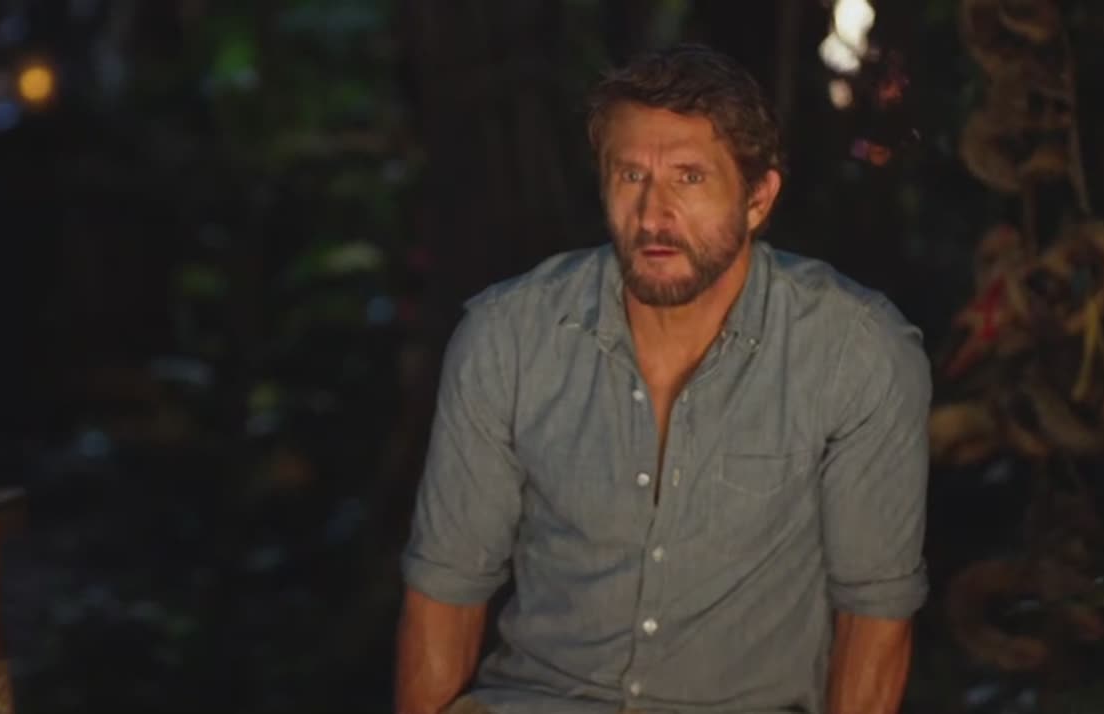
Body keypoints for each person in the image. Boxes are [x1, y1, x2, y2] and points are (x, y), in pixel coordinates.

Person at [395, 43, 931, 714]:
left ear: (758, 198)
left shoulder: (856, 352)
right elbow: (445, 591)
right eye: (631, 176)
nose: (653, 214)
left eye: (689, 178)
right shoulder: (507, 337)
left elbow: (875, 617)